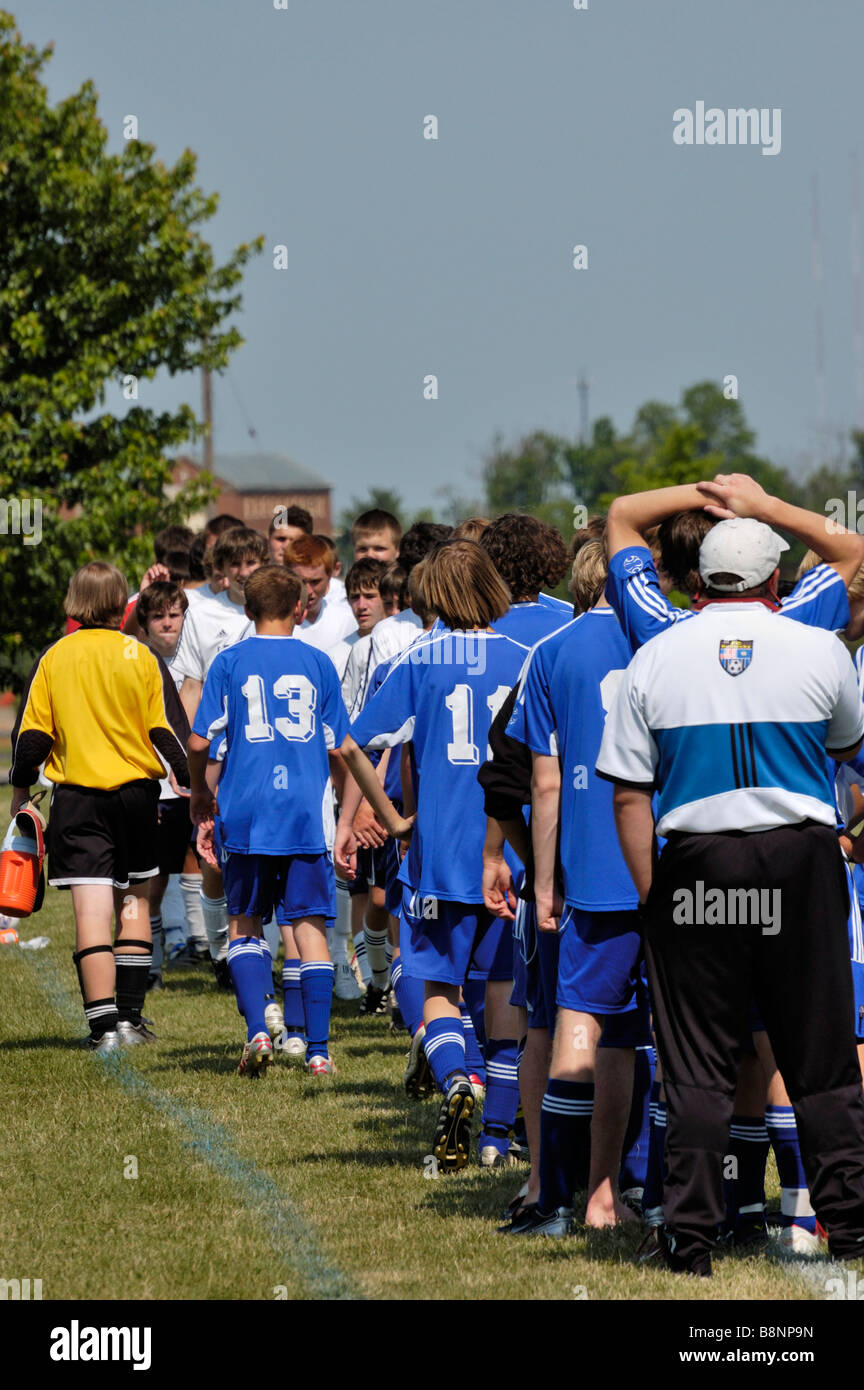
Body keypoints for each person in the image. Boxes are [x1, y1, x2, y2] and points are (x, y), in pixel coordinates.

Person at [597, 507, 864, 1275]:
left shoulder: (656, 653)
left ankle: (689, 1241)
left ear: (703, 581)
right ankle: (848, 1228)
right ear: (774, 577)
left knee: (697, 1063)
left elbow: (627, 798)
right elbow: (849, 750)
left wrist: (656, 904)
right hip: (801, 862)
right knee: (820, 1059)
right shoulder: (820, 647)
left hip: (698, 863)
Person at [342, 540, 530, 1172]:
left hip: (438, 856)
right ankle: (497, 1140)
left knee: (437, 988)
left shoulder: (422, 658)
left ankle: (455, 1080)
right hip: (510, 856)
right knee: (505, 994)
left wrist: (394, 818)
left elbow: (350, 743)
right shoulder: (528, 658)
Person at [10, 562, 189, 1052]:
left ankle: (104, 1027)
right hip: (137, 798)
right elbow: (168, 735)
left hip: (80, 801)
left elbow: (32, 741)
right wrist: (190, 786)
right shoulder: (142, 655)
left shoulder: (55, 657)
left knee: (91, 911)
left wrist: (19, 791)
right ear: (120, 604)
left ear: (74, 601)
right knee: (133, 904)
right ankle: (131, 1019)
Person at [189, 565, 348, 1077]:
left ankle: (259, 1027)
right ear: (300, 608)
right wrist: (347, 809)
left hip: (248, 809)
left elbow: (198, 742)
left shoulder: (229, 662)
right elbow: (340, 747)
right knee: (308, 925)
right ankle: (319, 1050)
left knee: (245, 920)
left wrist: (199, 792)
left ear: (247, 610)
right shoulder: (319, 662)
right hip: (305, 813)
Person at [287, 535, 357, 659]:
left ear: (330, 576)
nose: (308, 591)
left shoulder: (348, 620)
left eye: (315, 582)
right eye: (301, 582)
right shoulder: (271, 623)